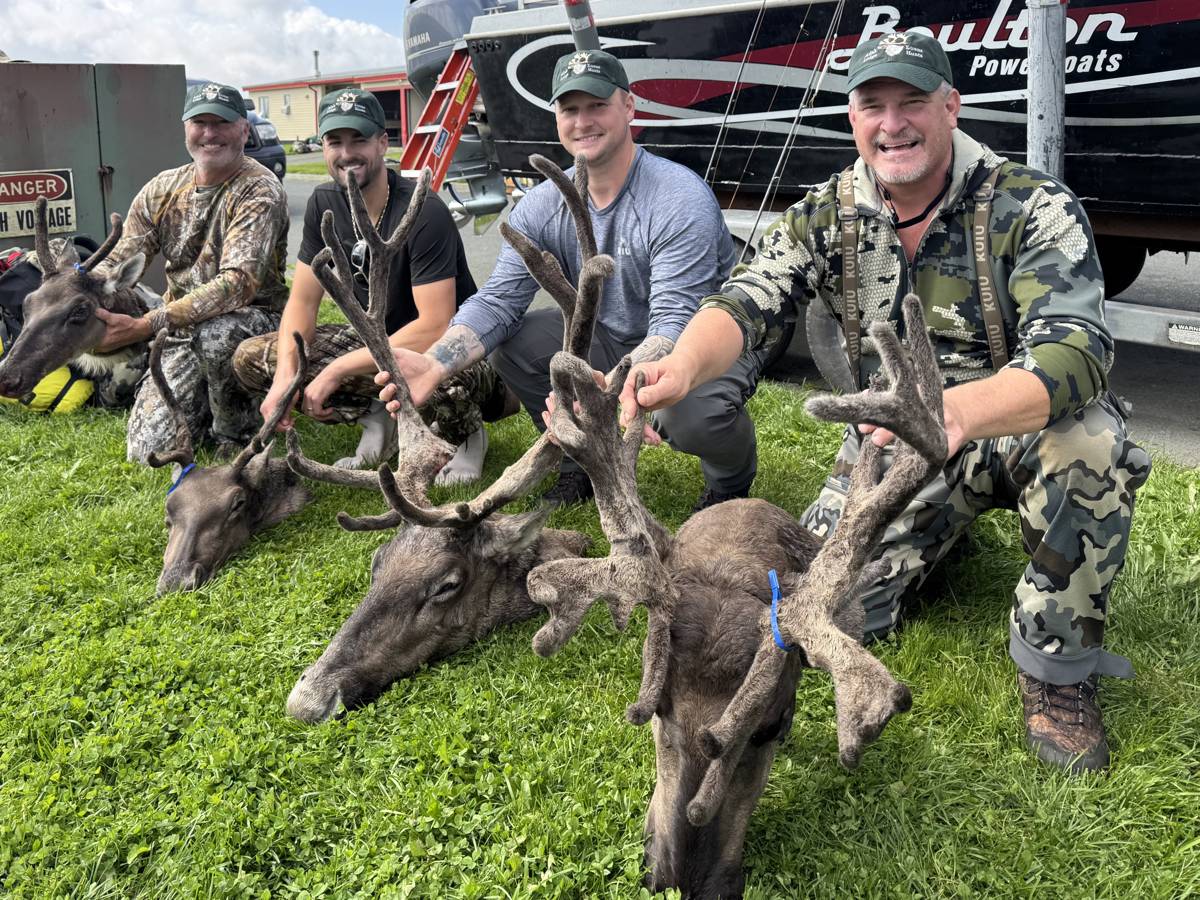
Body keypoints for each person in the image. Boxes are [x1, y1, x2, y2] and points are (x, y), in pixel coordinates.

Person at [622, 32, 1151, 773]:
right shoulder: (828, 211)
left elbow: (1077, 350)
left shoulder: (1031, 205)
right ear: (852, 117)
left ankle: (1055, 668)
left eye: (913, 103)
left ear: (951, 107)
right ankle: (934, 543)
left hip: (1008, 426)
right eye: (874, 105)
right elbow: (746, 301)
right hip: (889, 447)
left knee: (1092, 443)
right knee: (819, 614)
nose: (892, 124)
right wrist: (681, 363)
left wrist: (957, 413)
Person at [377, 49, 759, 509]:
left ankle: (728, 482)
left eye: (597, 105)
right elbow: (499, 301)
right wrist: (436, 362)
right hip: (610, 340)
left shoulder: (679, 198)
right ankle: (577, 461)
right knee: (513, 345)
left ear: (629, 107)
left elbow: (675, 322)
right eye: (569, 109)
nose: (583, 121)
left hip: (700, 343)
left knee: (692, 416)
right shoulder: (539, 206)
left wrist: (608, 392)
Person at [233, 89, 510, 481]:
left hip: (452, 353)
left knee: (441, 373)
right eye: (335, 141)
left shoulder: (422, 210)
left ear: (383, 143)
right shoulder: (323, 203)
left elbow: (436, 324)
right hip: (378, 344)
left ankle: (465, 436)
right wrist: (285, 376)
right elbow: (303, 303)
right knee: (254, 356)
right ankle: (377, 419)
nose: (347, 153)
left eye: (359, 139)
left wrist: (337, 369)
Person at [92, 81, 289, 463]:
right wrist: (79, 285)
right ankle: (200, 398)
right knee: (146, 451)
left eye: (223, 123)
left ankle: (236, 433)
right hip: (179, 331)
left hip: (252, 322)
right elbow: (119, 262)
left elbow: (238, 284)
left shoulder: (259, 189)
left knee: (217, 335)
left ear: (244, 130)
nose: (210, 133)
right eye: (200, 122)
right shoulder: (161, 190)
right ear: (185, 128)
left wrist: (146, 325)